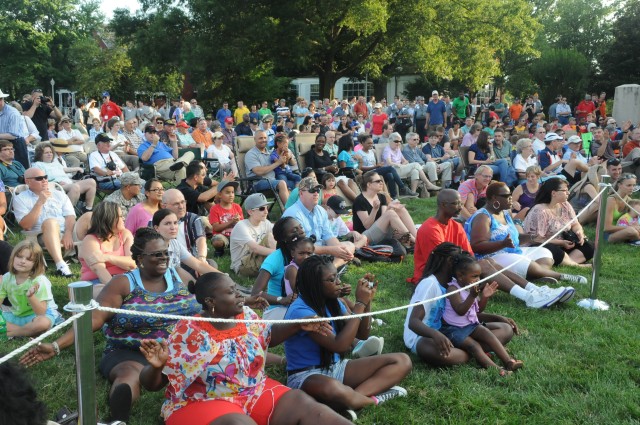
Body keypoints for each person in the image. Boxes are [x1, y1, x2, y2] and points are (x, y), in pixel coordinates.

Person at [21, 228, 202, 422]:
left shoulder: (178, 276)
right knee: (129, 376)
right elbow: (94, 319)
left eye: (166, 253)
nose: (164, 258)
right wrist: (56, 345)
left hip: (178, 349)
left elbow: (206, 298)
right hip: (131, 352)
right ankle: (117, 419)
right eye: (157, 254)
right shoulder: (123, 283)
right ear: (140, 259)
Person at [138, 272, 351, 425]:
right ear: (211, 301)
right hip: (204, 401)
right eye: (232, 292)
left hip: (254, 390)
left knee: (305, 404)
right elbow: (153, 384)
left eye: (238, 289)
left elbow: (267, 338)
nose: (241, 295)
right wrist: (157, 367)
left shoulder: (246, 316)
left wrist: (297, 325)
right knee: (239, 423)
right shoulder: (189, 333)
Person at [284, 255, 412, 420]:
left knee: (402, 361)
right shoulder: (301, 311)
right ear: (315, 284)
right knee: (332, 389)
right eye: (332, 279)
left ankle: (353, 399)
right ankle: (372, 400)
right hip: (306, 376)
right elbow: (340, 346)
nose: (338, 282)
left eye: (337, 276)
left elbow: (362, 334)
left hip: (336, 367)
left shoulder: (332, 301)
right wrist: (359, 305)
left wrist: (366, 303)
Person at [410, 189, 569, 307]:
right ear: (443, 205)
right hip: (433, 276)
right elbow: (441, 263)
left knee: (485, 262)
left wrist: (474, 266)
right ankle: (529, 297)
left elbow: (469, 253)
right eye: (456, 203)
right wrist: (474, 268)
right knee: (484, 264)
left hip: (454, 269)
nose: (461, 206)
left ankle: (534, 290)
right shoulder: (430, 229)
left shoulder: (455, 225)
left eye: (460, 202)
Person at [405, 242, 519, 366]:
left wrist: (499, 318)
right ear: (449, 261)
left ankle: (475, 351)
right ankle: (475, 351)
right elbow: (414, 322)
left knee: (505, 329)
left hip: (453, 332)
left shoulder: (457, 283)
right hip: (424, 337)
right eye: (458, 260)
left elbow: (464, 314)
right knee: (442, 352)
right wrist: (435, 334)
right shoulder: (430, 284)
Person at [465, 182, 585, 285]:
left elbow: (515, 238)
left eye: (510, 194)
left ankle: (538, 275)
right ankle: (561, 276)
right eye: (506, 196)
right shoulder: (483, 217)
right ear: (494, 198)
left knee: (545, 253)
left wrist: (531, 237)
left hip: (512, 251)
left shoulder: (505, 213)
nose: (511, 198)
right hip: (492, 258)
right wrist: (502, 244)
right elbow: (477, 246)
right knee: (527, 264)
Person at [440, 253, 523, 376]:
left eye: (479, 276)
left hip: (468, 324)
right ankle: (497, 370)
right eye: (474, 276)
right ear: (460, 276)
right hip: (453, 329)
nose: (478, 280)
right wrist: (472, 296)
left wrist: (484, 297)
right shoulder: (453, 289)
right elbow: (460, 310)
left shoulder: (470, 288)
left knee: (487, 334)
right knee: (474, 346)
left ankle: (508, 361)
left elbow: (477, 311)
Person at [13, 168, 75, 277]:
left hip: (67, 232)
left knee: (88, 216)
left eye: (45, 177)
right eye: (39, 178)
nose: (44, 180)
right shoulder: (20, 199)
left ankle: (102, 259)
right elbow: (26, 225)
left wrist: (68, 232)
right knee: (50, 222)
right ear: (28, 181)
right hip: (42, 235)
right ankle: (61, 266)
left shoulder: (59, 194)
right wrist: (40, 202)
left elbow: (70, 215)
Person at [283, 177, 356, 265]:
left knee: (349, 246)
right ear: (301, 193)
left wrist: (341, 249)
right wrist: (332, 250)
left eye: (318, 190)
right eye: (312, 190)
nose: (316, 193)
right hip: (304, 254)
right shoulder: (293, 214)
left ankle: (332, 267)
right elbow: (301, 247)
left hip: (321, 249)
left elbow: (328, 235)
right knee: (307, 256)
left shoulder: (320, 210)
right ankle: (328, 268)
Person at [524, 178, 594, 267]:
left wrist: (579, 232)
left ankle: (565, 262)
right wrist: (560, 243)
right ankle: (575, 265)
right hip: (543, 245)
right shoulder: (540, 210)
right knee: (551, 249)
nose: (568, 193)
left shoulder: (565, 204)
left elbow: (575, 223)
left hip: (564, 244)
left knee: (589, 246)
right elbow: (537, 239)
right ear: (553, 193)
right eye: (565, 190)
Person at [0, 240, 61, 337]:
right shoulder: (7, 278)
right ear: (12, 258)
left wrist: (31, 296)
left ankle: (12, 333)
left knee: (42, 323)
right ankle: (26, 331)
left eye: (28, 259)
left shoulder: (40, 280)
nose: (22, 261)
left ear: (36, 263)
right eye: (19, 257)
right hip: (16, 316)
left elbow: (41, 312)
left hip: (38, 316)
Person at [79, 202, 135, 295]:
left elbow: (132, 263)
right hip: (96, 281)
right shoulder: (90, 240)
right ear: (110, 219)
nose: (123, 218)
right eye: (121, 216)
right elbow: (99, 270)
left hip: (124, 278)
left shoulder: (125, 234)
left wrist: (106, 257)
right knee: (105, 294)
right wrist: (116, 290)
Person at [152, 209, 220, 283]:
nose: (173, 227)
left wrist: (224, 277)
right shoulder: (152, 248)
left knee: (210, 265)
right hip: (158, 287)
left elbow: (198, 265)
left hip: (175, 283)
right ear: (156, 228)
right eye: (167, 223)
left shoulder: (174, 243)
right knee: (178, 270)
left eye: (175, 223)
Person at [352, 171, 417, 246]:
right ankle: (415, 242)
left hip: (380, 231)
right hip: (364, 237)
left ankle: (417, 237)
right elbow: (367, 226)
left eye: (381, 180)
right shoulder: (360, 200)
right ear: (369, 185)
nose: (381, 183)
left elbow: (384, 217)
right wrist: (375, 209)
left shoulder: (381, 197)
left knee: (400, 209)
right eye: (377, 181)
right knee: (390, 213)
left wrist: (390, 207)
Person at [33, 142, 96, 210]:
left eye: (51, 152)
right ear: (40, 154)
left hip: (69, 184)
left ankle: (88, 209)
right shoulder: (38, 165)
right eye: (46, 152)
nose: (50, 154)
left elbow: (63, 173)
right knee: (75, 187)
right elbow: (41, 182)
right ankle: (68, 214)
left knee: (91, 182)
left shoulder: (55, 163)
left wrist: (75, 180)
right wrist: (56, 184)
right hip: (56, 187)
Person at [229, 193, 277, 277]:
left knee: (276, 236)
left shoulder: (265, 223)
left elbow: (279, 234)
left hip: (256, 258)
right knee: (269, 237)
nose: (266, 211)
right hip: (242, 266)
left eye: (267, 208)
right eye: (262, 208)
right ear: (250, 211)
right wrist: (280, 254)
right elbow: (255, 249)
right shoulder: (241, 226)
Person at [357, 133, 417, 198]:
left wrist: (378, 166)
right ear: (362, 143)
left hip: (375, 170)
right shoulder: (359, 153)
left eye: (372, 143)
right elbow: (360, 168)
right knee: (390, 168)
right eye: (368, 143)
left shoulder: (372, 152)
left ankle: (393, 196)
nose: (371, 145)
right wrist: (375, 166)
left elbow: (374, 164)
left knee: (390, 175)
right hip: (367, 173)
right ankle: (402, 188)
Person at [304, 133, 359, 201]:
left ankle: (358, 199)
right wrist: (326, 168)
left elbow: (330, 165)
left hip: (332, 175)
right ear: (315, 141)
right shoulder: (310, 154)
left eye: (323, 142)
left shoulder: (326, 153)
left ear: (325, 143)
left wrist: (335, 168)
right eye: (319, 141)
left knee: (350, 180)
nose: (321, 143)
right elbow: (310, 170)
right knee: (341, 182)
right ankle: (358, 202)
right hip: (322, 177)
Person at [244, 130, 290, 203]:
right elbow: (258, 171)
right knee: (282, 183)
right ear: (255, 139)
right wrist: (278, 162)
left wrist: (284, 159)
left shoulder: (269, 153)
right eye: (260, 138)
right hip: (258, 183)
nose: (263, 140)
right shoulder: (251, 154)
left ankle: (298, 210)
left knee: (297, 182)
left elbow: (281, 166)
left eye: (265, 138)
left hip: (272, 180)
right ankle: (289, 212)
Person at [603, 174, 640, 244]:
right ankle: (634, 240)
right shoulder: (611, 200)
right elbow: (606, 228)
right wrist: (631, 227)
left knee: (633, 230)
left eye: (634, 185)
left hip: (623, 229)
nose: (632, 188)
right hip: (608, 235)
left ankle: (634, 239)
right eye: (629, 185)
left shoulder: (629, 200)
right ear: (619, 185)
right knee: (631, 231)